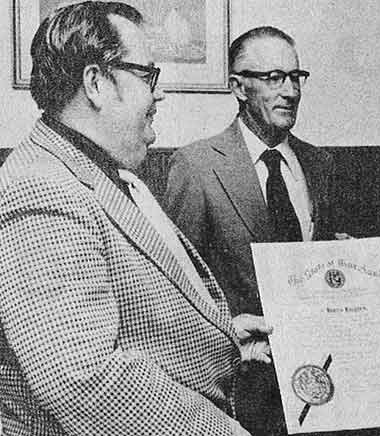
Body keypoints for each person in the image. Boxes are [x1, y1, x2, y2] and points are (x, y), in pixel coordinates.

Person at [0, 2, 271, 435]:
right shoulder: (42, 188)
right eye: (148, 76)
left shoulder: (101, 172)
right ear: (96, 83)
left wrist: (225, 336)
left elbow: (129, 320)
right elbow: (82, 378)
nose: (159, 94)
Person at [163, 26, 336, 435]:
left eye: (296, 77)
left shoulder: (320, 164)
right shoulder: (197, 166)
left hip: (318, 383)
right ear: (239, 87)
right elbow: (176, 289)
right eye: (274, 78)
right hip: (241, 392)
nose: (290, 91)